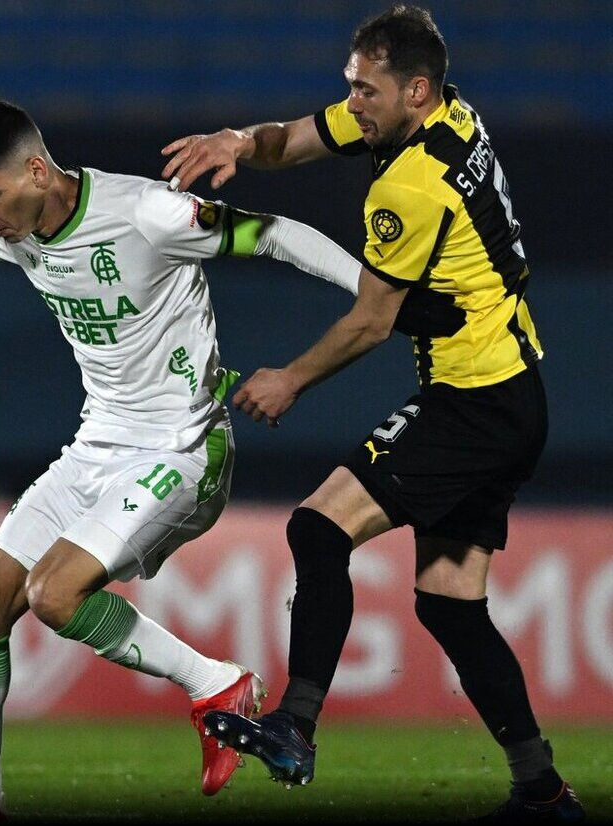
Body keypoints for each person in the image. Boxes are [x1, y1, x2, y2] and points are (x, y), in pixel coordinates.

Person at [0, 97, 361, 819]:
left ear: (37, 171)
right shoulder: (17, 231)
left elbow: (274, 235)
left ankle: (216, 681)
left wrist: (376, 293)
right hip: (96, 446)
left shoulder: (147, 214)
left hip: (180, 449)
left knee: (55, 595)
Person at [161, 5, 583, 822]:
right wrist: (239, 143)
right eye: (350, 85)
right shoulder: (449, 120)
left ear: (413, 90)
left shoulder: (408, 186)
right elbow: (302, 137)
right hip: (512, 391)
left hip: (473, 401)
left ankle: (295, 723)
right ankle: (541, 788)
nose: (352, 103)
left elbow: (370, 319)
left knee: (319, 528)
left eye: (366, 90)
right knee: (449, 604)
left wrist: (289, 380)